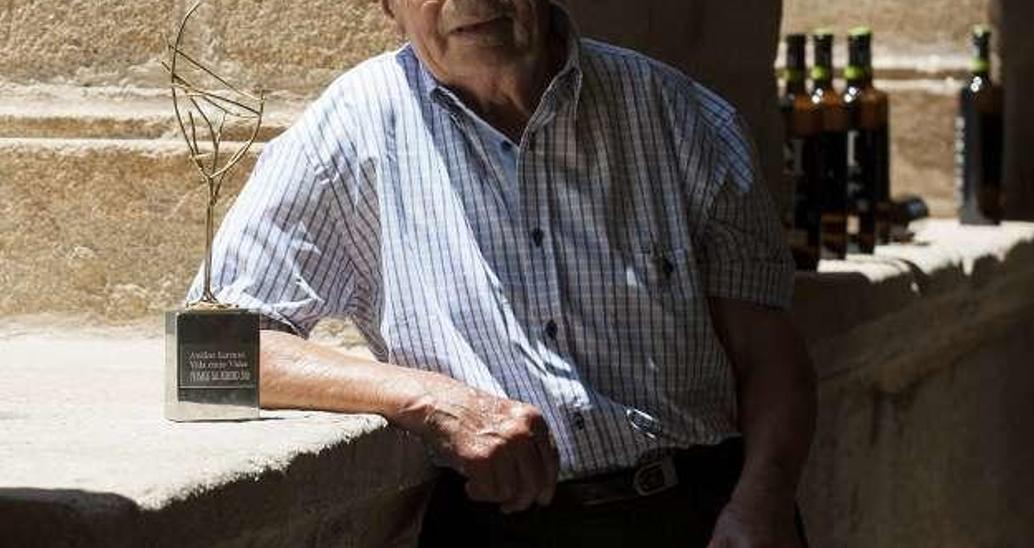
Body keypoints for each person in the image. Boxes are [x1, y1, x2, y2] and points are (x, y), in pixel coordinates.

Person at [189, 0, 816, 545]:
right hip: (502, 530)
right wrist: (431, 400)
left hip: (702, 516)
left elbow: (769, 354)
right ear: (388, 5)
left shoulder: (681, 118)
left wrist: (763, 500)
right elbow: (206, 355)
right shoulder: (350, 132)